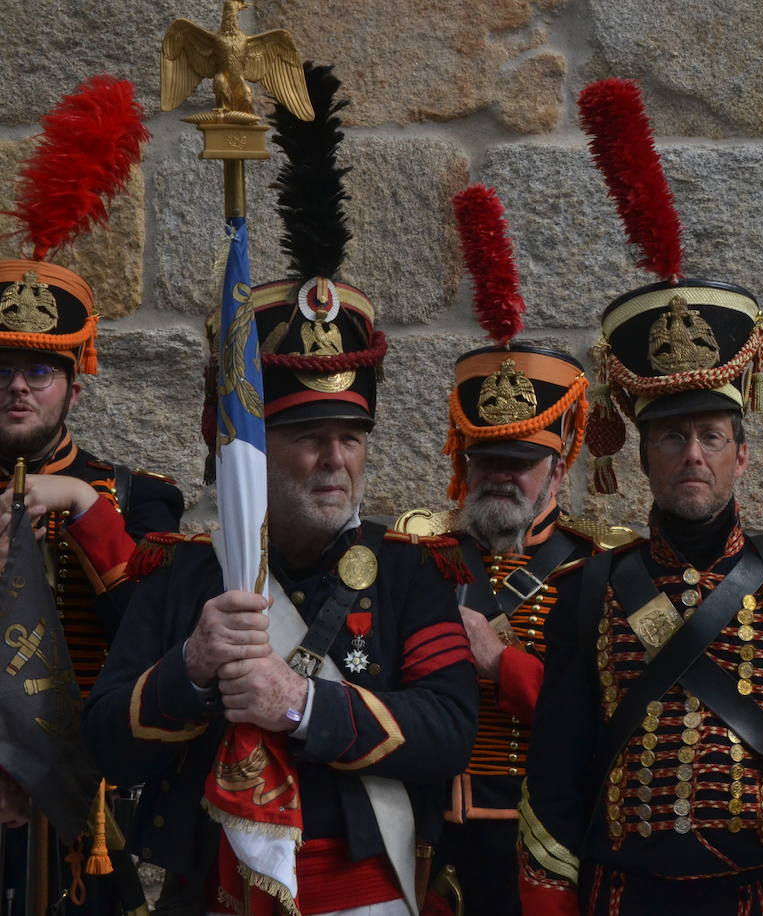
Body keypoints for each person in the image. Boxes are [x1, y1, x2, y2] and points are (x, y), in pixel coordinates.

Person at [81, 64, 479, 915]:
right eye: (306, 438)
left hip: (363, 893)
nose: (335, 460)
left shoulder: (412, 573)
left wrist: (301, 705)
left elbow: (449, 731)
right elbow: (109, 742)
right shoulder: (182, 576)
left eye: (351, 438)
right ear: (253, 452)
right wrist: (190, 668)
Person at [515, 78, 763, 915]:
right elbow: (554, 779)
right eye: (671, 437)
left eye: (711, 437)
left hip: (758, 895)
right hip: (625, 896)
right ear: (643, 456)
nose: (692, 454)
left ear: (741, 455)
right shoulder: (588, 588)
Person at [393, 183, 634, 914]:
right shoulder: (416, 553)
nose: (500, 474)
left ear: (560, 463)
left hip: (548, 835)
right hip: (430, 833)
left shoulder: (604, 566)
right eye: (485, 456)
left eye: (521, 460)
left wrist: (501, 663)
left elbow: (619, 714)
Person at [0, 75, 181, 913]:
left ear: (76, 383)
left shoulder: (138, 496)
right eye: (2, 368)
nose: (18, 387)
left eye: (39, 371)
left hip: (85, 806)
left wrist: (83, 506)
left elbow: (153, 639)